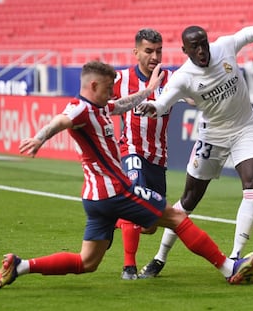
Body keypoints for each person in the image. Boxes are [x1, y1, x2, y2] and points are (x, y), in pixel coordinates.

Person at [0, 60, 253, 290]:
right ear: (93, 86)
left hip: (95, 199)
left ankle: (20, 266)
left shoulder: (100, 106)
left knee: (87, 262)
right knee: (177, 217)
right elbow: (60, 120)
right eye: (108, 88)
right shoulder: (81, 108)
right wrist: (39, 138)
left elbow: (122, 104)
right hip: (116, 191)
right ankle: (229, 269)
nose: (111, 93)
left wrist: (151, 90)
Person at [138, 24, 253, 278]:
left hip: (245, 128)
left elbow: (245, 35)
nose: (202, 49)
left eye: (203, 43)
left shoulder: (224, 47)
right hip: (212, 136)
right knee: (189, 199)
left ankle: (236, 257)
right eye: (194, 46)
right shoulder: (184, 77)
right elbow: (164, 101)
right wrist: (154, 108)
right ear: (185, 50)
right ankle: (160, 258)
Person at [112, 28, 173, 280]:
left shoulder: (172, 79)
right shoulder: (121, 79)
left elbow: (193, 97)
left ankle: (111, 216)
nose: (155, 56)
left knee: (149, 225)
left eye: (159, 50)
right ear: (135, 52)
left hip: (158, 158)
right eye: (149, 51)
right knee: (134, 204)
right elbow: (98, 102)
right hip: (132, 151)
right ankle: (129, 267)